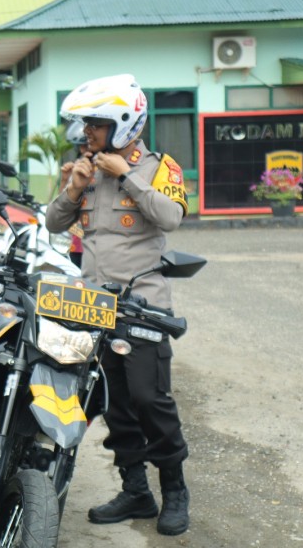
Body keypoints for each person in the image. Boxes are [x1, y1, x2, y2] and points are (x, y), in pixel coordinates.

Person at [45, 74, 191, 537]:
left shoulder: (158, 168)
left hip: (141, 303)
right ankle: (136, 491)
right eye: (86, 124)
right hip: (92, 306)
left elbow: (172, 217)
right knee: (114, 403)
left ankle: (174, 490)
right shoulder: (83, 168)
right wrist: (73, 188)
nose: (87, 132)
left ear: (123, 123)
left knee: (150, 400)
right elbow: (53, 223)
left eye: (95, 124)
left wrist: (125, 175)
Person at [59, 121, 88, 268]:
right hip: (77, 236)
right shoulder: (78, 165)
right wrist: (65, 179)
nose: (83, 150)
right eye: (80, 146)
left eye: (86, 145)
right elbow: (62, 203)